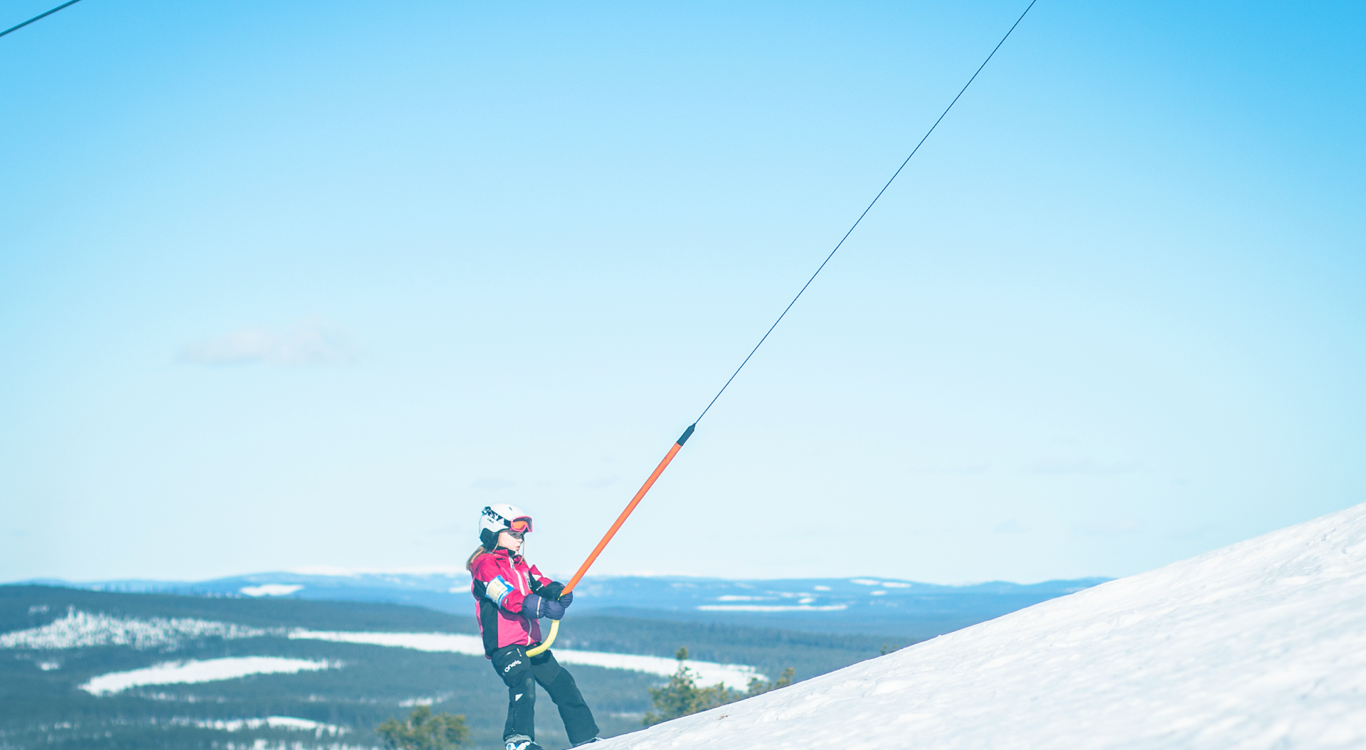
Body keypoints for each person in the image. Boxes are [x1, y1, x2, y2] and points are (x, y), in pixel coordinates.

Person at [468, 504, 602, 750]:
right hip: (505, 645)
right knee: (523, 684)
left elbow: (539, 581)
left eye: (521, 536)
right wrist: (539, 606)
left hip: (531, 643)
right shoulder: (485, 566)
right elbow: (506, 597)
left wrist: (558, 592)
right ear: (492, 533)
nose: (520, 541)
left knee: (563, 682)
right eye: (514, 535)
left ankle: (586, 738)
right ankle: (517, 741)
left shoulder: (519, 564)